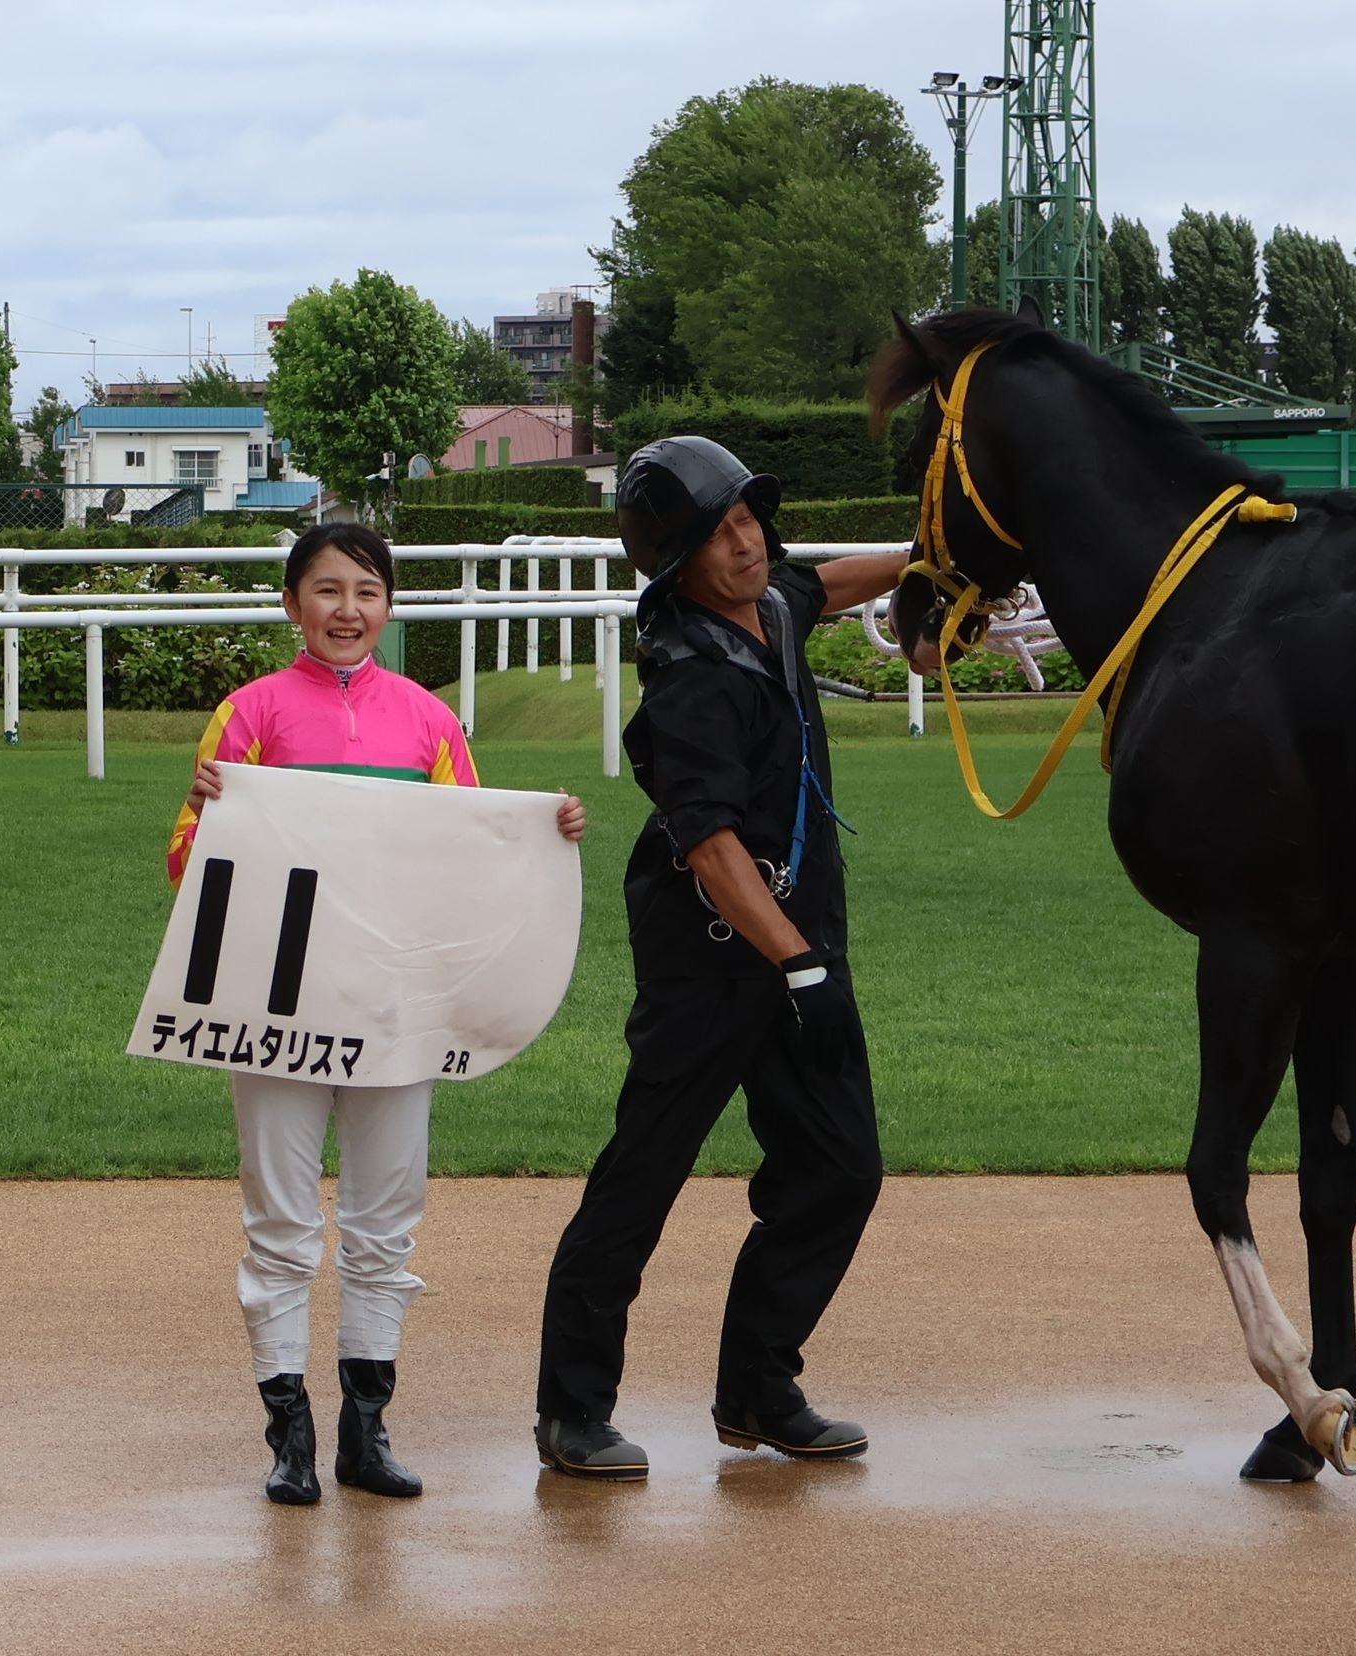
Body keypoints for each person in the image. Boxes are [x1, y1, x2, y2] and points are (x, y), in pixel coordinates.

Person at [170, 522, 587, 1506]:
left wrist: (546, 830)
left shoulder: (430, 723)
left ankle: (367, 1426)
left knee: (383, 1223)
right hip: (278, 1000)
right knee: (279, 1221)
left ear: (388, 606)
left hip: (397, 1008)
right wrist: (212, 817)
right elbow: (188, 866)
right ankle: (290, 1434)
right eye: (325, 590)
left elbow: (478, 856)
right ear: (290, 605)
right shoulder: (248, 713)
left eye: (365, 590)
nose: (346, 609)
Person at [534, 437, 909, 1480]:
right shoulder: (689, 680)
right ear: (674, 562)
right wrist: (802, 969)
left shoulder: (772, 604)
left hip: (796, 951)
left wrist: (932, 557)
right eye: (716, 532)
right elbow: (709, 848)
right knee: (640, 1181)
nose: (744, 542)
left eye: (748, 517)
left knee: (838, 1170)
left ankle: (756, 1388)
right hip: (710, 965)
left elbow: (824, 580)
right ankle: (571, 1412)